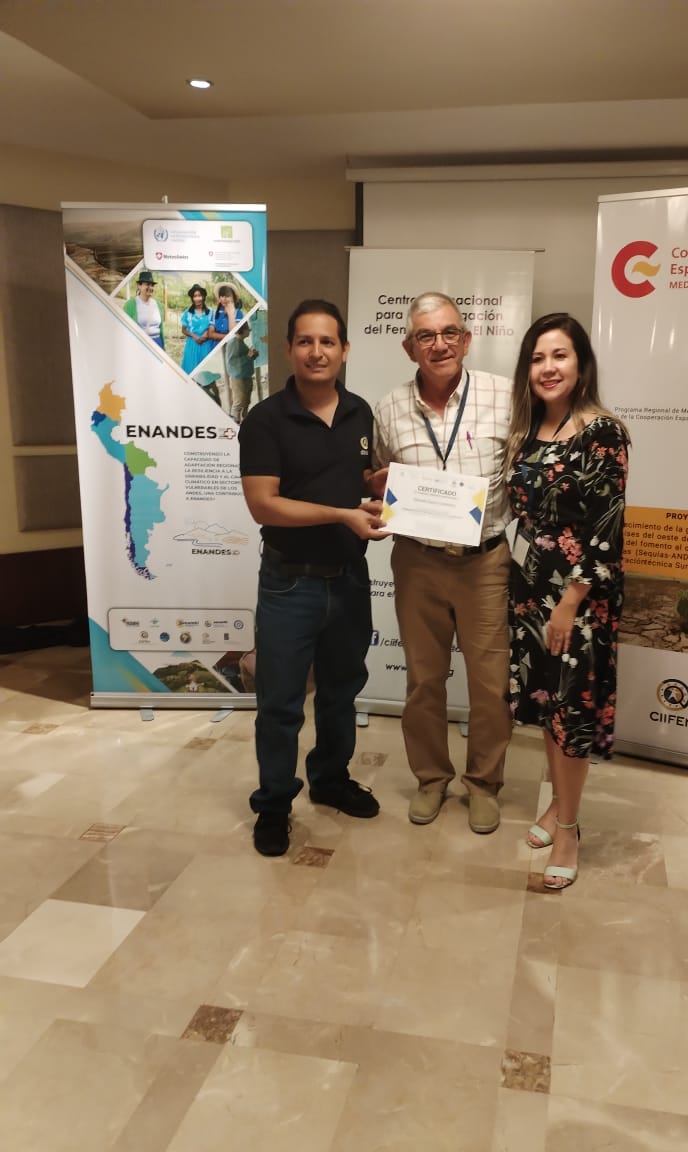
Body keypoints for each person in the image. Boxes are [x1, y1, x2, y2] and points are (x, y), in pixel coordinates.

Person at [238, 299, 388, 857]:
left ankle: (329, 780)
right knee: (280, 703)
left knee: (341, 692)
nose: (317, 352)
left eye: (328, 342)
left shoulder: (360, 413)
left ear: (344, 350)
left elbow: (354, 476)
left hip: (349, 578)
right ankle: (274, 805)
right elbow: (264, 504)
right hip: (289, 584)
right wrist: (343, 515)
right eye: (306, 341)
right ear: (289, 349)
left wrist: (379, 484)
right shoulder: (265, 420)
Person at [371, 291, 512, 834]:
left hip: (484, 563)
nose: (439, 344)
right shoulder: (388, 408)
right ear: (410, 348)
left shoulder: (504, 396)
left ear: (467, 340)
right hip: (418, 561)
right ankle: (431, 778)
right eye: (425, 336)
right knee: (424, 680)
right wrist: (379, 486)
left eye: (449, 332)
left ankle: (484, 784)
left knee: (490, 685)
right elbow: (373, 477)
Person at [505, 313, 629, 890]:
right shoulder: (530, 429)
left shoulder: (602, 431)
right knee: (547, 705)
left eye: (560, 355)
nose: (548, 368)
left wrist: (570, 601)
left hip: (578, 598)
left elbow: (606, 529)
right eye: (537, 358)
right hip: (530, 591)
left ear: (581, 364)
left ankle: (570, 830)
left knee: (571, 712)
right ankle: (559, 804)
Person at [225, 321, 259, 422]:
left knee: (246, 401)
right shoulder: (233, 343)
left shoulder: (239, 342)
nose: (249, 331)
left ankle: (245, 422)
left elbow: (243, 358)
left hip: (245, 376)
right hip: (238, 378)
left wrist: (252, 356)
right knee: (239, 402)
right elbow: (232, 363)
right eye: (248, 329)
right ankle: (235, 423)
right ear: (242, 330)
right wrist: (248, 356)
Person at [122, 269, 164, 347]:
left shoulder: (158, 305)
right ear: (139, 286)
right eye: (147, 284)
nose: (150, 287)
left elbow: (161, 329)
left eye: (152, 285)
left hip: (158, 343)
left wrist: (163, 347)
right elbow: (123, 328)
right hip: (139, 344)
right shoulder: (130, 305)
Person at [180, 284, 215, 374]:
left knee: (206, 374)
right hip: (192, 345)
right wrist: (194, 336)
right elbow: (183, 330)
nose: (197, 298)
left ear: (203, 297)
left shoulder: (211, 312)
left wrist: (207, 332)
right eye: (195, 296)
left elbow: (213, 327)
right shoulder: (187, 313)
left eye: (199, 295)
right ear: (192, 298)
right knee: (191, 372)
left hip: (206, 345)